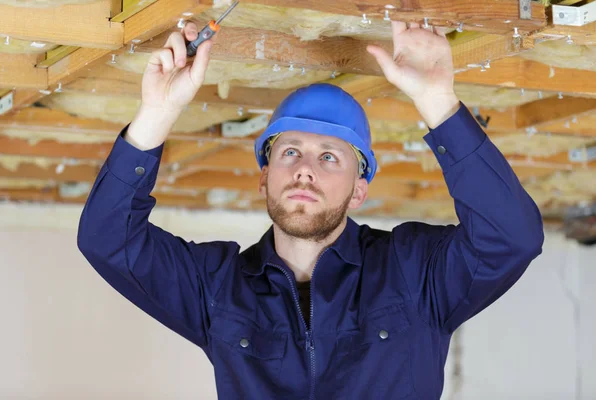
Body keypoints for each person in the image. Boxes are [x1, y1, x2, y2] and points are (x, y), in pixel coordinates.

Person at [77, 19, 544, 400]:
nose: (304, 170)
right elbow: (107, 239)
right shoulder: (217, 290)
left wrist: (438, 102)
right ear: (264, 176)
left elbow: (512, 238)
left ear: (358, 190)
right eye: (290, 152)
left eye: (328, 158)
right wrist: (156, 113)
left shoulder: (413, 273)